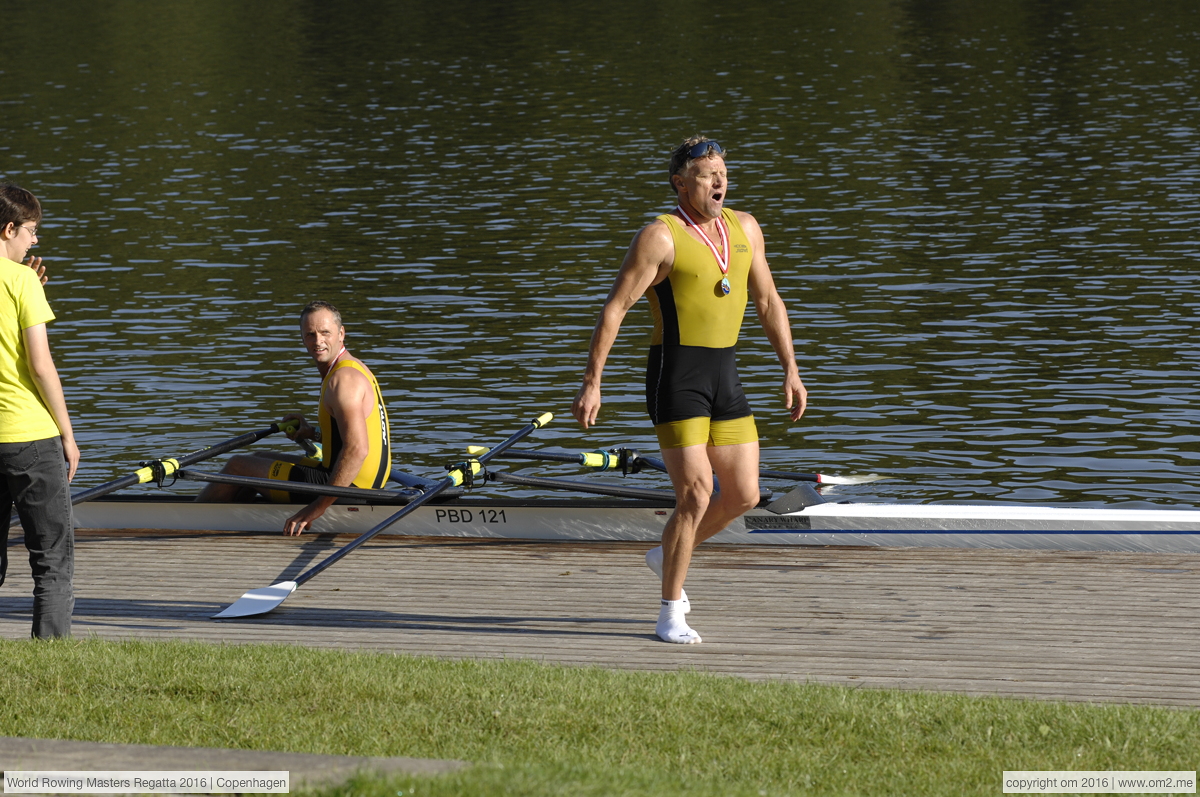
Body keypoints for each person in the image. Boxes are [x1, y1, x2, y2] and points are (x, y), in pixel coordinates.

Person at [572, 137, 806, 644]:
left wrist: (790, 367)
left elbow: (768, 301)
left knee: (743, 493)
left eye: (722, 171)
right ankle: (669, 612)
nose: (719, 181)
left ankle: (665, 553)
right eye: (706, 174)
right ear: (681, 183)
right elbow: (614, 308)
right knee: (697, 494)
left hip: (725, 374)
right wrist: (593, 383)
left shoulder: (745, 228)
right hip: (675, 376)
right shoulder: (661, 236)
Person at [197, 301, 391, 536]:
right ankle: (235, 522)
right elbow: (350, 435)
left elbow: (358, 449)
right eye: (310, 334)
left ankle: (188, 522)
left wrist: (315, 508)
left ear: (341, 334)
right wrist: (312, 433)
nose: (318, 341)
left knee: (237, 466)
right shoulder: (353, 368)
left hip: (350, 491)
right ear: (302, 338)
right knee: (257, 458)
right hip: (360, 482)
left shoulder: (343, 381)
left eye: (325, 333)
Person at [0, 182, 80, 639]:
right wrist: (68, 436)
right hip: (28, 437)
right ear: (9, 227)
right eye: (30, 230)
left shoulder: (24, 280)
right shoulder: (22, 281)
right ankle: (51, 660)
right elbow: (41, 365)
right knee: (51, 558)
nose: (34, 240)